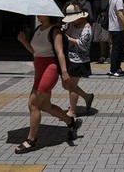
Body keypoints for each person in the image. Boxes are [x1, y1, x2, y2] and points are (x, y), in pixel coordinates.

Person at [14, 14, 82, 153]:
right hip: (39, 68)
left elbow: (60, 52)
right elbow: (35, 51)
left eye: (41, 12)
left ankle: (31, 140)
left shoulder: (55, 31)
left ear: (49, 15)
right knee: (45, 105)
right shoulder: (38, 29)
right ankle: (70, 122)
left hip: (49, 70)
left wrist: (64, 72)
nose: (38, 15)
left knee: (33, 104)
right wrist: (24, 41)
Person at [61, 3, 94, 117]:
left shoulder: (87, 27)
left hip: (80, 60)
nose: (73, 21)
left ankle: (72, 111)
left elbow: (84, 45)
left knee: (72, 86)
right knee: (65, 85)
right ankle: (87, 97)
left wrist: (68, 38)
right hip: (69, 58)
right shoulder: (70, 25)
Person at [108, 0, 124, 77]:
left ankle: (117, 68)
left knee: (117, 48)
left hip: (113, 27)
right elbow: (120, 14)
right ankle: (114, 69)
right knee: (117, 49)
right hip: (118, 28)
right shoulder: (118, 0)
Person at [93, 0, 112, 64]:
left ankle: (110, 56)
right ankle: (102, 54)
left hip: (108, 21)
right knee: (101, 39)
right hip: (100, 20)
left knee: (109, 39)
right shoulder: (99, 1)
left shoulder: (111, 0)